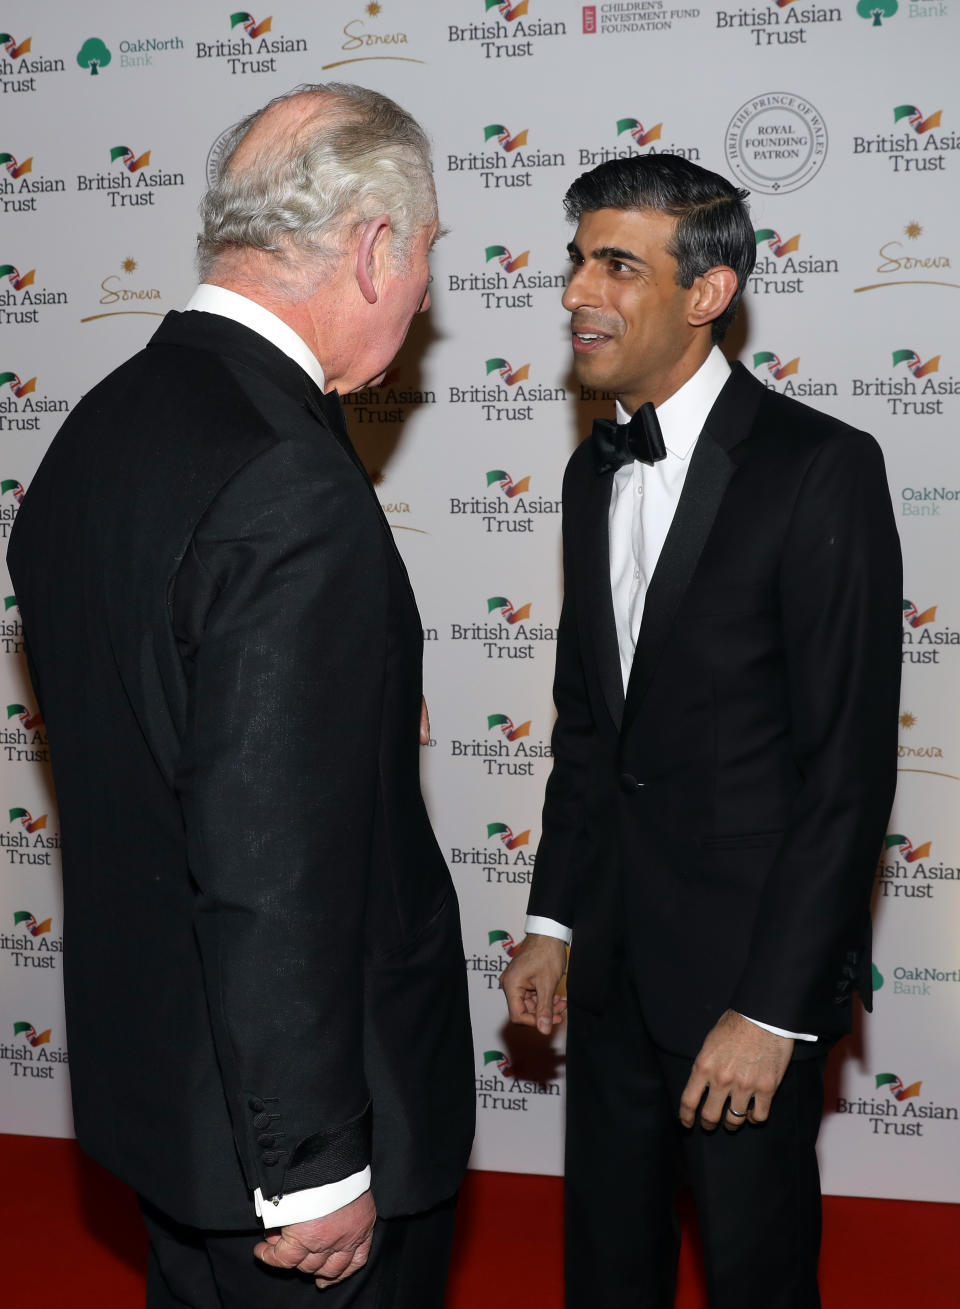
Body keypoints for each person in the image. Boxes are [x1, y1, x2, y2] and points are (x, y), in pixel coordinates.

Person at [8, 83, 474, 1309]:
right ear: (375, 245)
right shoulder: (287, 481)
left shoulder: (99, 428)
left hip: (173, 1107)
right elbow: (273, 865)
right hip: (290, 1145)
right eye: (427, 255)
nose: (427, 295)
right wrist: (315, 1169)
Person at [500, 154, 901, 1309]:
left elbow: (847, 773)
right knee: (606, 1270)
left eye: (617, 264)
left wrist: (774, 1011)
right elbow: (593, 729)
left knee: (754, 1275)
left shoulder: (821, 468)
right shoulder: (593, 472)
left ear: (708, 293)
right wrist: (553, 918)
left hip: (743, 989)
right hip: (612, 973)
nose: (579, 288)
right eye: (578, 258)